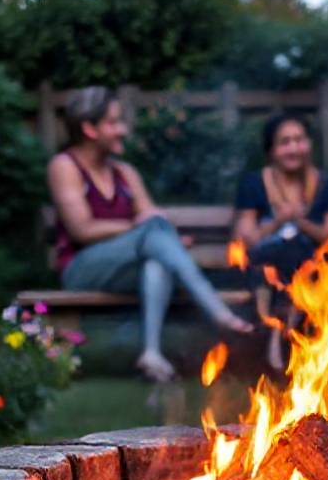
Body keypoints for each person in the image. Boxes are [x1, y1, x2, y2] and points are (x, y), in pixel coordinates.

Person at [49, 86, 252, 383]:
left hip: (124, 269)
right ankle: (219, 312)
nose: (122, 129)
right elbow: (82, 229)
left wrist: (163, 242)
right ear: (89, 128)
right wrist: (144, 231)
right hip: (81, 269)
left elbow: (152, 219)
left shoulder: (124, 172)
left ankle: (151, 354)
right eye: (114, 122)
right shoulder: (64, 166)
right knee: (154, 233)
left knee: (157, 262)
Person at [233, 112, 328, 370]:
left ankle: (279, 338)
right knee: (274, 257)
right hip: (265, 263)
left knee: (300, 256)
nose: (293, 148)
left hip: (310, 267)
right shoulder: (254, 183)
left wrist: (301, 221)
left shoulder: (326, 183)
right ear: (271, 151)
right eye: (285, 142)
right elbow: (246, 238)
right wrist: (279, 220)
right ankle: (279, 336)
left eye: (299, 140)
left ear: (309, 145)